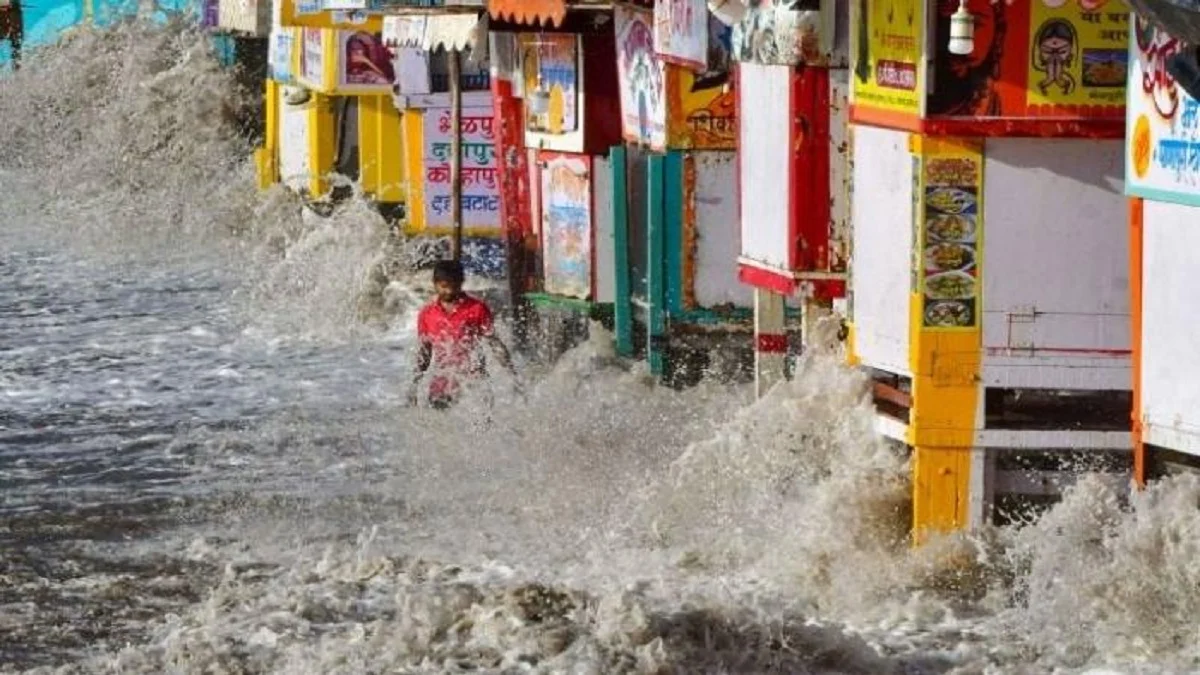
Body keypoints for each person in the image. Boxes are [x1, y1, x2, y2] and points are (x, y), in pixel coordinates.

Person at [408, 259, 518, 409]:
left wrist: (512, 373)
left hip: (473, 382)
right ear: (434, 283)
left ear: (461, 283)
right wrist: (415, 383)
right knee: (439, 420)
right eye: (444, 286)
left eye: (454, 287)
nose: (449, 291)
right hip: (441, 383)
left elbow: (494, 342)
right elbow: (425, 351)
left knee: (478, 419)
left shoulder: (477, 309)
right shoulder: (427, 314)